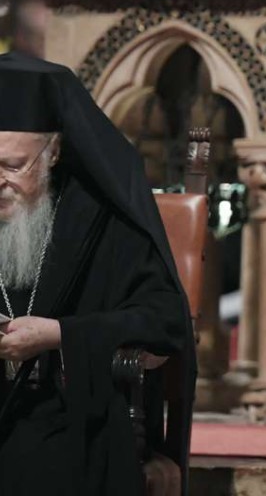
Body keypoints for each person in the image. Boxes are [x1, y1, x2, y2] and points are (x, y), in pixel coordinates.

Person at [0, 51, 194, 495]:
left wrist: (60, 334)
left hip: (68, 412)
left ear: (52, 153)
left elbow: (165, 321)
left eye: (12, 166)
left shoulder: (104, 219)